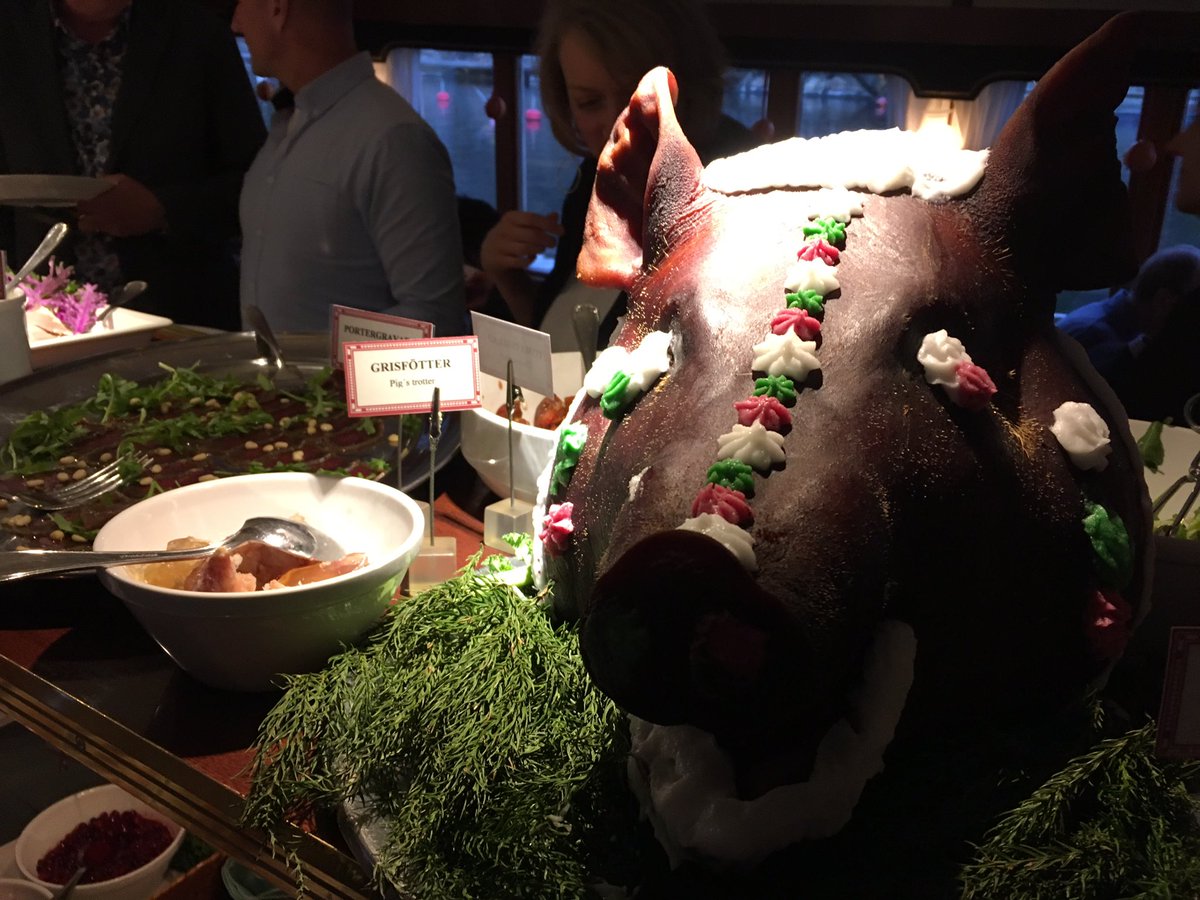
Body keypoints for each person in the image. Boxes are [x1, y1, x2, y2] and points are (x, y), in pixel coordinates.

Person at [479, 0, 759, 347]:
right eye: (589, 102)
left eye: (637, 95)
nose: (617, 123)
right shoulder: (594, 176)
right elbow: (568, 344)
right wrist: (507, 277)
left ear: (688, 83)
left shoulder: (737, 188)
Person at [0, 0, 267, 331]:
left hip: (179, 319)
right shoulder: (10, 31)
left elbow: (259, 182)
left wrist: (162, 209)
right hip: (39, 321)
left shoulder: (196, 33)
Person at [234, 0, 466, 337]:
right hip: (268, 387)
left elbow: (433, 318)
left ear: (276, 9)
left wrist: (322, 367)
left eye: (241, 4)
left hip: (339, 389)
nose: (236, 24)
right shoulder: (289, 121)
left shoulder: (392, 138)